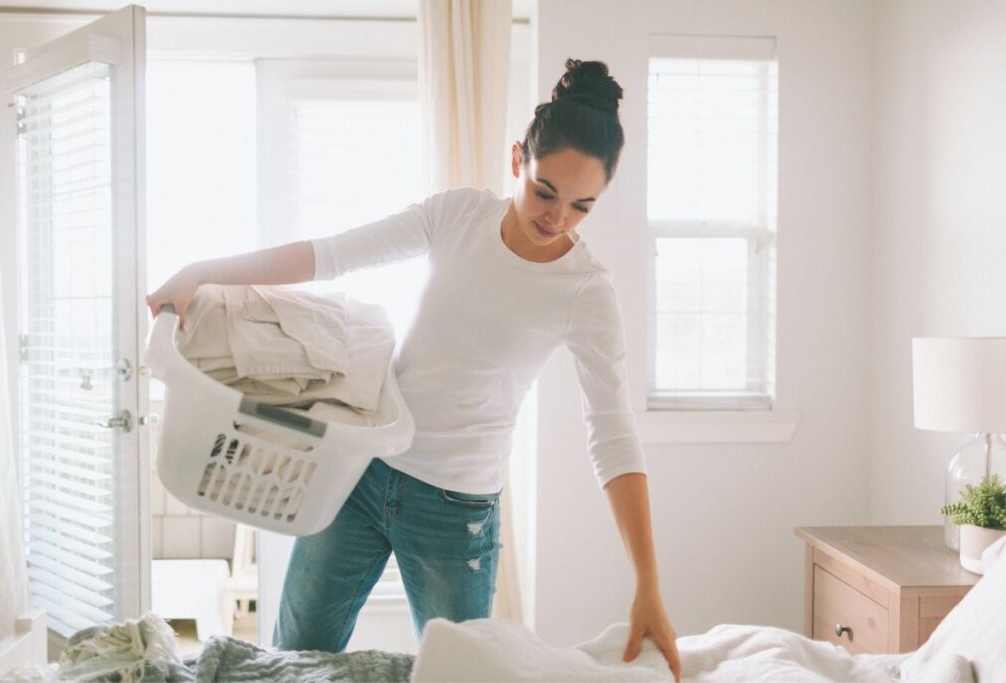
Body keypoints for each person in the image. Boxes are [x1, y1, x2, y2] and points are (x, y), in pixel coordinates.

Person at [147, 58, 682, 681]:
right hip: (360, 473)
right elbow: (331, 254)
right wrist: (200, 273)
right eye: (545, 191)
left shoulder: (586, 291)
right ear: (517, 160)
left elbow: (613, 435)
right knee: (290, 658)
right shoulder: (457, 216)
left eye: (582, 206)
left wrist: (648, 584)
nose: (557, 218)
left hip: (457, 511)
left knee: (459, 674)